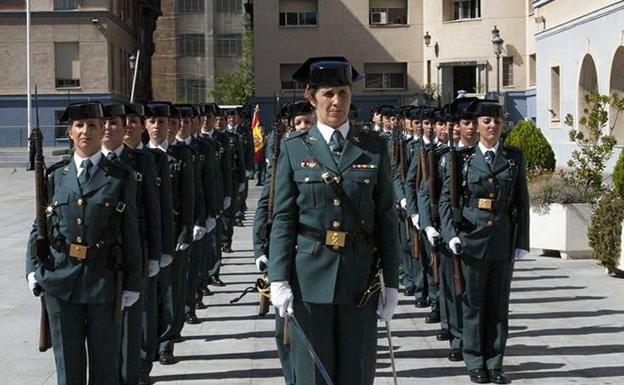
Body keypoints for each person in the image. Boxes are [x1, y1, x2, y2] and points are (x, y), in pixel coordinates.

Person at [268, 57, 399, 385]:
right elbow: (284, 217)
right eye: (328, 93)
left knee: (357, 372)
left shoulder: (373, 148)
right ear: (312, 97)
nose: (337, 101)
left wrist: (393, 282)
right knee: (312, 375)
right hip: (309, 279)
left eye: (343, 92)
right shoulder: (294, 149)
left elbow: (386, 218)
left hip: (360, 281)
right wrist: (278, 278)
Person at [26, 101, 141, 385]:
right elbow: (38, 224)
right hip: (61, 280)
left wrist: (132, 283)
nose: (85, 131)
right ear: (69, 132)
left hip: (103, 281)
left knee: (105, 366)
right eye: (79, 125)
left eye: (92, 125)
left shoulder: (120, 177)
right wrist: (32, 269)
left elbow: (130, 233)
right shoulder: (55, 176)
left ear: (103, 129)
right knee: (68, 367)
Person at [439, 99, 529, 384]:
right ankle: (475, 360)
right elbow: (446, 199)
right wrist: (450, 233)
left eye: (497, 121)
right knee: (473, 304)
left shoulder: (514, 158)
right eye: (486, 121)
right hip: (471, 239)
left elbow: (521, 201)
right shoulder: (462, 160)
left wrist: (522, 241)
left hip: (502, 238)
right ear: (475, 126)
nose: (493, 125)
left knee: (498, 306)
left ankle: (495, 363)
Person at [253, 100, 315, 385]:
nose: (303, 127)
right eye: (298, 123)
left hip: (313, 254)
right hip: (283, 254)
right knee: (284, 331)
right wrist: (260, 252)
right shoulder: (279, 161)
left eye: (307, 122)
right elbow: (265, 208)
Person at [101, 103, 162, 385]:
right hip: (98, 261)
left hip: (132, 252)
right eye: (102, 122)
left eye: (114, 122)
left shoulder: (140, 161)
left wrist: (157, 253)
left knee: (132, 319)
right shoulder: (78, 165)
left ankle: (134, 373)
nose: (107, 128)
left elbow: (152, 208)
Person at [124, 102, 175, 385]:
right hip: (112, 252)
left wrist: (161, 250)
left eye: (134, 119)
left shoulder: (151, 161)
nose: (128, 125)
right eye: (123, 120)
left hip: (142, 247)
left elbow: (160, 208)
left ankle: (142, 365)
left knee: (143, 310)